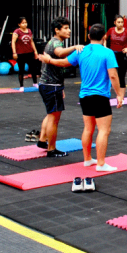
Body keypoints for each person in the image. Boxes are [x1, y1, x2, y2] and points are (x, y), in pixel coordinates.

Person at [39, 23, 122, 171]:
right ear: (104, 37)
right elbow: (113, 76)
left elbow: (63, 63)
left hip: (85, 97)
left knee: (88, 128)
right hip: (100, 97)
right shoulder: (108, 52)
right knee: (104, 130)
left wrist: (49, 60)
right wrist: (119, 94)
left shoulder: (81, 51)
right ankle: (101, 164)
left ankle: (88, 159)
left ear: (89, 36)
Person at [36, 17, 83, 157]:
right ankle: (51, 149)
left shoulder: (53, 41)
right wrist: (75, 47)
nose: (69, 31)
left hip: (48, 84)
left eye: (69, 28)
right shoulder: (56, 43)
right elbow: (60, 53)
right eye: (65, 28)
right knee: (54, 119)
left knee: (51, 114)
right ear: (57, 30)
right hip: (51, 85)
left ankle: (42, 140)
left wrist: (61, 87)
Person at [103, 15, 127, 100]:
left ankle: (121, 97)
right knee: (109, 75)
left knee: (121, 77)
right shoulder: (111, 30)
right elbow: (104, 38)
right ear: (115, 23)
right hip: (112, 55)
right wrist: (105, 47)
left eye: (122, 22)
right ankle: (106, 94)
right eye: (118, 22)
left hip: (122, 55)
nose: (120, 24)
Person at [11, 16, 39, 90]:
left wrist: (35, 51)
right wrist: (14, 53)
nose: (25, 24)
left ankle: (35, 83)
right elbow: (13, 42)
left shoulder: (29, 31)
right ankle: (21, 86)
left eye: (25, 22)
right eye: (23, 23)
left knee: (33, 68)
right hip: (20, 53)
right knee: (21, 70)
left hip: (29, 52)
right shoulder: (17, 32)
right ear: (19, 24)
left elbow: (31, 41)